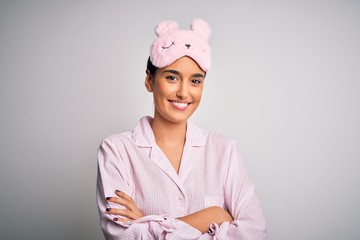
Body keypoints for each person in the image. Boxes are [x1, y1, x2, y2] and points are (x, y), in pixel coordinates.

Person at [96, 18, 267, 239]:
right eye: (172, 77)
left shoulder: (224, 150)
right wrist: (211, 216)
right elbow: (121, 235)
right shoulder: (116, 150)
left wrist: (146, 224)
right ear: (149, 80)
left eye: (195, 81)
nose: (184, 93)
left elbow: (254, 232)